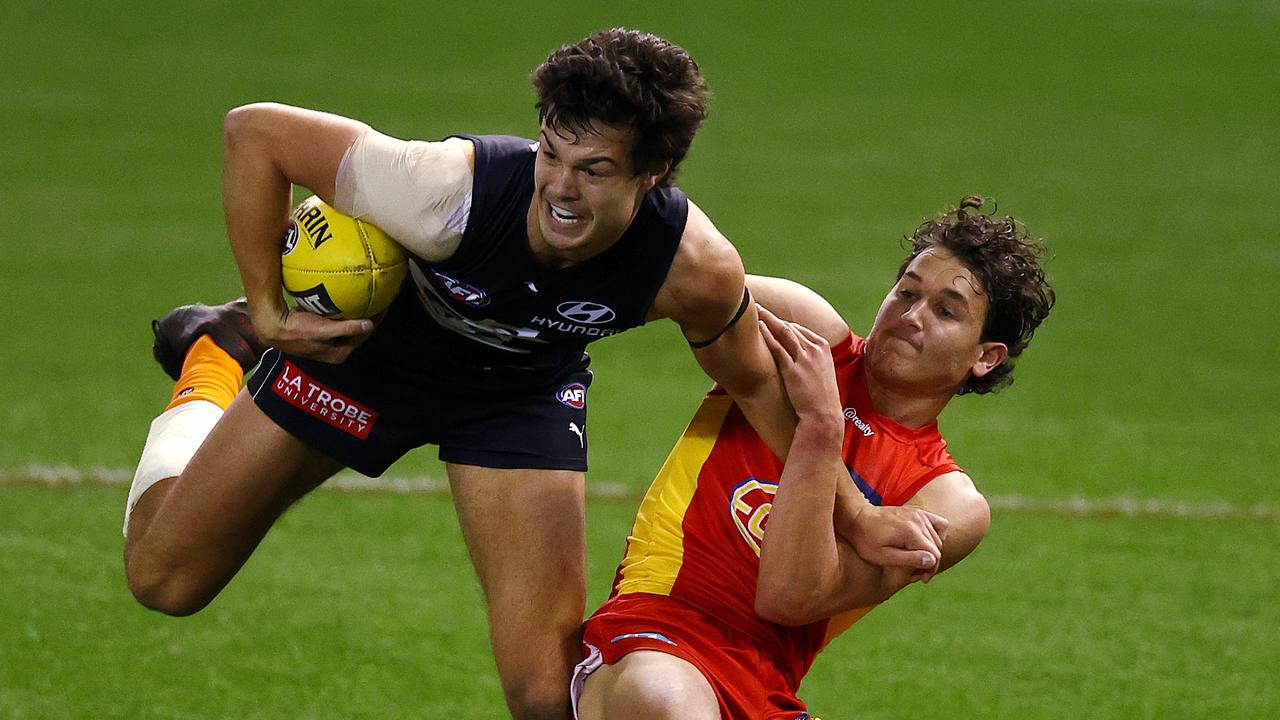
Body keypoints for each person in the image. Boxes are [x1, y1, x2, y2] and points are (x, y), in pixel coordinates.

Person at [121, 29, 946, 720]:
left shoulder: (691, 267)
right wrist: (266, 314)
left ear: (652, 175)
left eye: (595, 170)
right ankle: (215, 356)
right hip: (374, 358)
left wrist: (857, 516)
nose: (560, 186)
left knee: (550, 694)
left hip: (519, 394)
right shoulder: (443, 190)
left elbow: (760, 387)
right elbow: (255, 132)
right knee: (165, 580)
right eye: (554, 153)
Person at [572, 197, 1056, 719]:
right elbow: (684, 278)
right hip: (656, 630)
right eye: (907, 292)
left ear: (986, 356)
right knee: (664, 701)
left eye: (945, 310)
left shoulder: (945, 501)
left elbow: (787, 598)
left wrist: (822, 427)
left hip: (764, 686)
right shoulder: (809, 332)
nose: (911, 316)